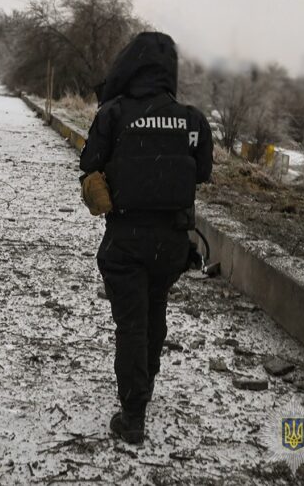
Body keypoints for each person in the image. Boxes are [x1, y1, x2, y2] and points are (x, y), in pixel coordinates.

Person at [79, 32, 213, 444]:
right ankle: (145, 387)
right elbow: (202, 172)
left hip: (127, 237)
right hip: (172, 241)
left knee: (132, 323)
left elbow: (89, 165)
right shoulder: (192, 119)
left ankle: (133, 413)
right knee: (154, 311)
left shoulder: (114, 114)